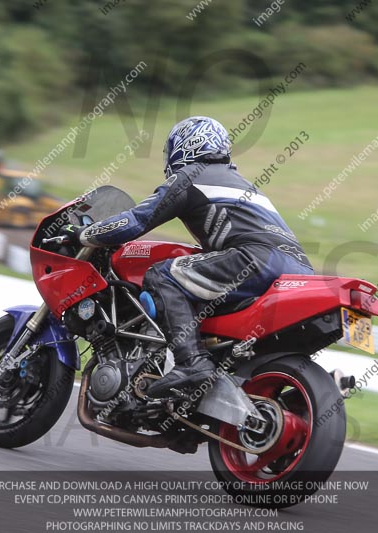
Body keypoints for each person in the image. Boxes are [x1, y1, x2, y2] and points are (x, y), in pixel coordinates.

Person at [61, 116, 313, 397]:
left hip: (254, 258)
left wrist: (83, 234)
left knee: (161, 275)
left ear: (185, 147)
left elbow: (136, 221)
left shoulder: (192, 176)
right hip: (299, 269)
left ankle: (191, 363)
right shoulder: (243, 184)